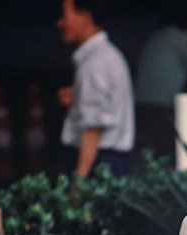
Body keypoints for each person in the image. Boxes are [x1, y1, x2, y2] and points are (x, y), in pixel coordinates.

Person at [56, 0, 134, 177]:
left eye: (64, 16)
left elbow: (92, 128)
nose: (59, 23)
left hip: (98, 164)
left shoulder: (94, 62)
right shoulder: (104, 56)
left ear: (84, 18)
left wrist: (79, 182)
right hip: (105, 161)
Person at [134, 0, 187, 160]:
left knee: (147, 158)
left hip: (140, 105)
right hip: (163, 107)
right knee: (168, 158)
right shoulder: (182, 39)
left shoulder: (156, 36)